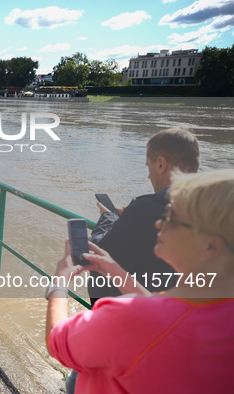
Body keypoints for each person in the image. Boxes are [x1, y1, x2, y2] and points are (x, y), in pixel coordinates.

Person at [45, 169, 234, 393]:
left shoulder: (129, 317)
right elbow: (166, 317)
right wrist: (117, 272)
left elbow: (57, 341)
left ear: (210, 246)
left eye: (170, 217)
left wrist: (59, 281)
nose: (157, 224)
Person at [88, 128, 199, 305]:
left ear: (161, 164)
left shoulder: (150, 208)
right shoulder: (210, 205)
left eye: (149, 166)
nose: (148, 175)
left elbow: (98, 256)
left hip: (138, 314)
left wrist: (108, 218)